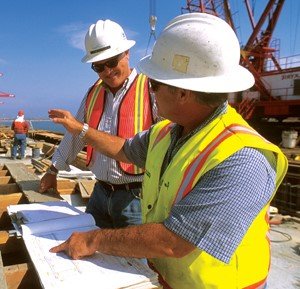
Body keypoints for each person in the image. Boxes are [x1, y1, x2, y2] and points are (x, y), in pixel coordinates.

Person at [48, 13, 288, 289]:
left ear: (183, 92)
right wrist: (79, 130)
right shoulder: (168, 132)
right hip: (173, 279)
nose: (150, 89)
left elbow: (174, 241)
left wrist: (92, 240)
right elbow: (125, 150)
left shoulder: (244, 158)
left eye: (155, 84)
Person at [39, 19, 158, 228]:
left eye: (112, 62)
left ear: (127, 54)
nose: (107, 71)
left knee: (133, 260)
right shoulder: (93, 93)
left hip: (136, 198)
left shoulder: (150, 90)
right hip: (99, 194)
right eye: (99, 66)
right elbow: (74, 135)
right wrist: (53, 170)